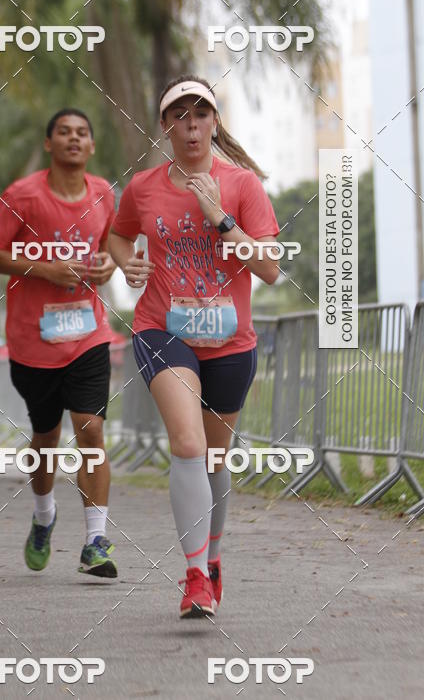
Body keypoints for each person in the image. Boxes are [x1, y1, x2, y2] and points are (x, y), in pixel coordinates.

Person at [108, 76, 280, 618]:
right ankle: (195, 575)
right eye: (179, 116)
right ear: (164, 125)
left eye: (200, 114)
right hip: (163, 330)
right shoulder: (143, 187)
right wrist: (127, 263)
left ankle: (214, 554)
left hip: (229, 339)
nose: (191, 125)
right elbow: (117, 234)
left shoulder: (243, 186)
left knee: (214, 458)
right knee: (187, 444)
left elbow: (270, 269)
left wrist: (221, 219)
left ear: (214, 122)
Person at [0, 109, 118, 578]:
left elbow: (112, 245)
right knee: (46, 438)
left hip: (88, 334)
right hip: (34, 341)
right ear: (49, 144)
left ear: (91, 146)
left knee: (90, 429)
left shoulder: (104, 193)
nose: (73, 139)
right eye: (64, 132)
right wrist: (44, 269)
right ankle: (44, 515)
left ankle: (95, 541)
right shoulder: (22, 196)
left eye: (82, 133)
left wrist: (108, 264)